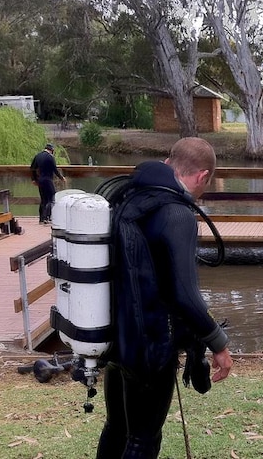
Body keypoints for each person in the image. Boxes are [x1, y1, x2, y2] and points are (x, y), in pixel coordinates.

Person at [96, 137, 233, 458]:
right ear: (202, 176)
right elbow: (185, 295)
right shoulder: (176, 214)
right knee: (143, 439)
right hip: (150, 347)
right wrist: (219, 344)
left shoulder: (128, 197)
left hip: (116, 339)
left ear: (169, 163)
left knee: (116, 426)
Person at [29, 142, 66, 224]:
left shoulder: (38, 156)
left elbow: (32, 168)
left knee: (43, 199)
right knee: (52, 198)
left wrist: (34, 179)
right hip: (48, 179)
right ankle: (47, 217)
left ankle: (41, 219)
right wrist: (61, 178)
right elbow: (54, 169)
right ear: (52, 150)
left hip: (40, 180)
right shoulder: (50, 157)